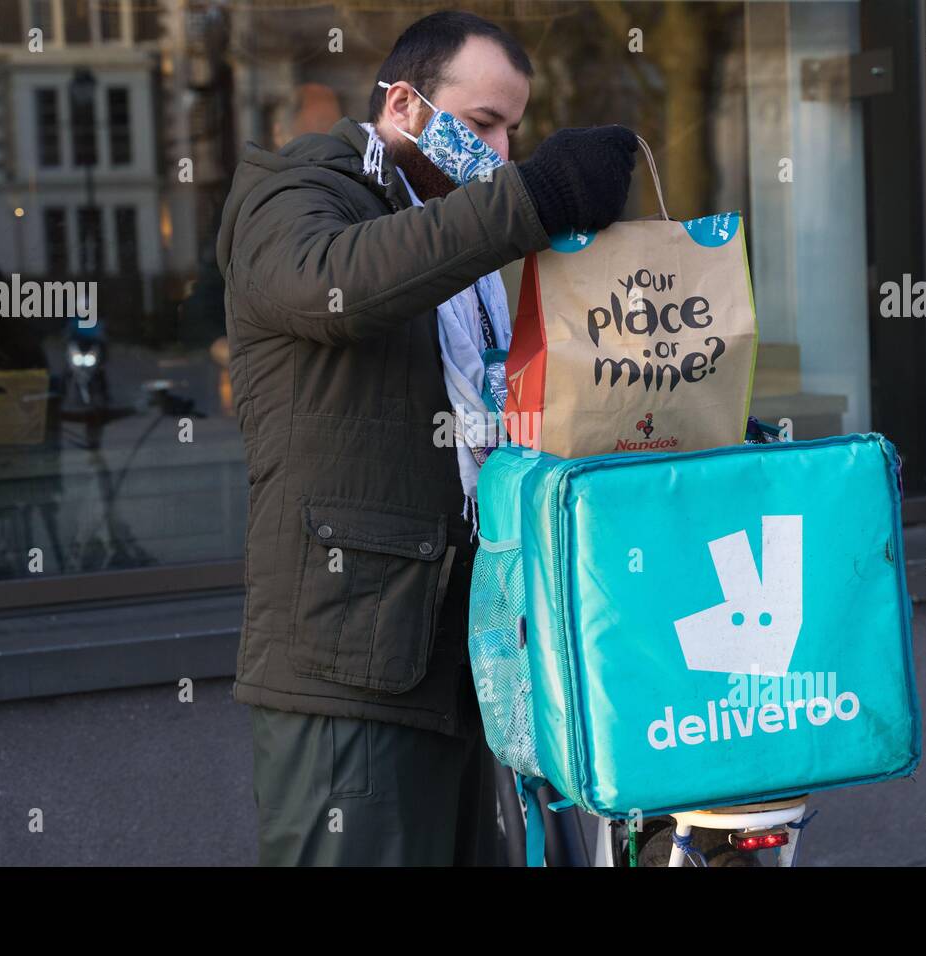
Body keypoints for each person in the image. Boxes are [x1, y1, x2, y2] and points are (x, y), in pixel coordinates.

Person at [216, 9, 637, 865]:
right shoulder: (295, 186)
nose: (502, 151)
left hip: (465, 653)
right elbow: (328, 283)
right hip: (351, 664)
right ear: (406, 104)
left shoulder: (458, 238)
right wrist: (533, 200)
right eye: (482, 123)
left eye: (514, 131)